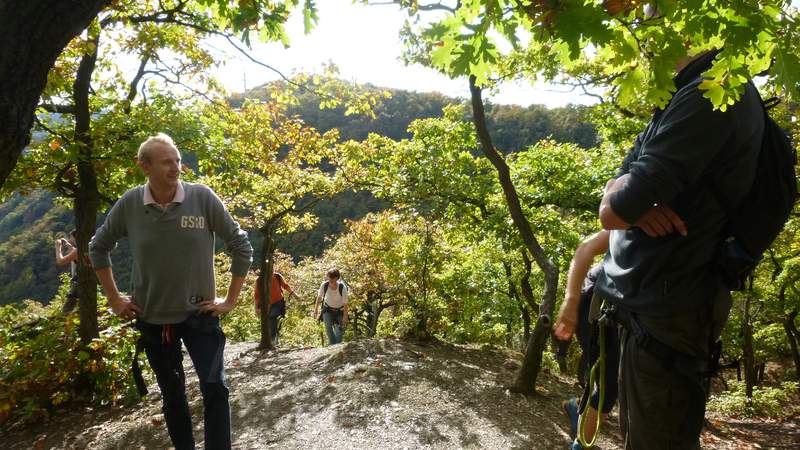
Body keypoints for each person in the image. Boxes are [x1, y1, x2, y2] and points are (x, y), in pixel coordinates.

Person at [595, 48, 763, 449]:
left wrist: (619, 202)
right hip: (659, 304)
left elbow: (615, 210)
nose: (646, 23)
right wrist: (622, 198)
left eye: (655, 7)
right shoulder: (687, 91)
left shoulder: (711, 91)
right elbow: (621, 183)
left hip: (670, 308)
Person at [89, 133, 253, 450]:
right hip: (154, 319)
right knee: (173, 395)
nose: (175, 167)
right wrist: (114, 298)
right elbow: (98, 248)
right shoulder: (130, 204)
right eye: (167, 162)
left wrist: (230, 301)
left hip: (201, 315)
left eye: (177, 160)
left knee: (215, 387)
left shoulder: (202, 198)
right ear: (144, 166)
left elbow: (241, 245)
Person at [554, 230, 619, 450]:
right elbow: (585, 248)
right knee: (607, 386)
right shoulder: (638, 215)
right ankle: (580, 446)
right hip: (595, 304)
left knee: (607, 381)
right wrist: (570, 303)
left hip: (622, 311)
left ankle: (576, 409)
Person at [254, 270, 299, 345]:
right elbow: (256, 295)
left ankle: (273, 339)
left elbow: (285, 286)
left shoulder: (277, 276)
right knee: (270, 322)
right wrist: (256, 309)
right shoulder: (259, 280)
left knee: (273, 318)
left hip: (278, 303)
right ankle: (272, 340)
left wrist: (295, 295)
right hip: (266, 305)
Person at [312, 268, 348, 345]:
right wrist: (316, 310)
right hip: (327, 309)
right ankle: (332, 346)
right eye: (329, 277)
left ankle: (336, 347)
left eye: (332, 277)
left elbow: (345, 303)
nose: (330, 279)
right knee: (328, 328)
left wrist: (345, 316)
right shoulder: (324, 285)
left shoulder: (342, 287)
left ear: (336, 278)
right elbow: (319, 298)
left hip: (340, 311)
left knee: (339, 333)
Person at [54, 229, 79, 312]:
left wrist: (58, 247)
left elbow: (60, 261)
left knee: (67, 309)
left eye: (71, 238)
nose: (69, 240)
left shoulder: (78, 251)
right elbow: (73, 251)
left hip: (78, 283)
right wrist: (67, 244)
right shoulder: (87, 247)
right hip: (86, 281)